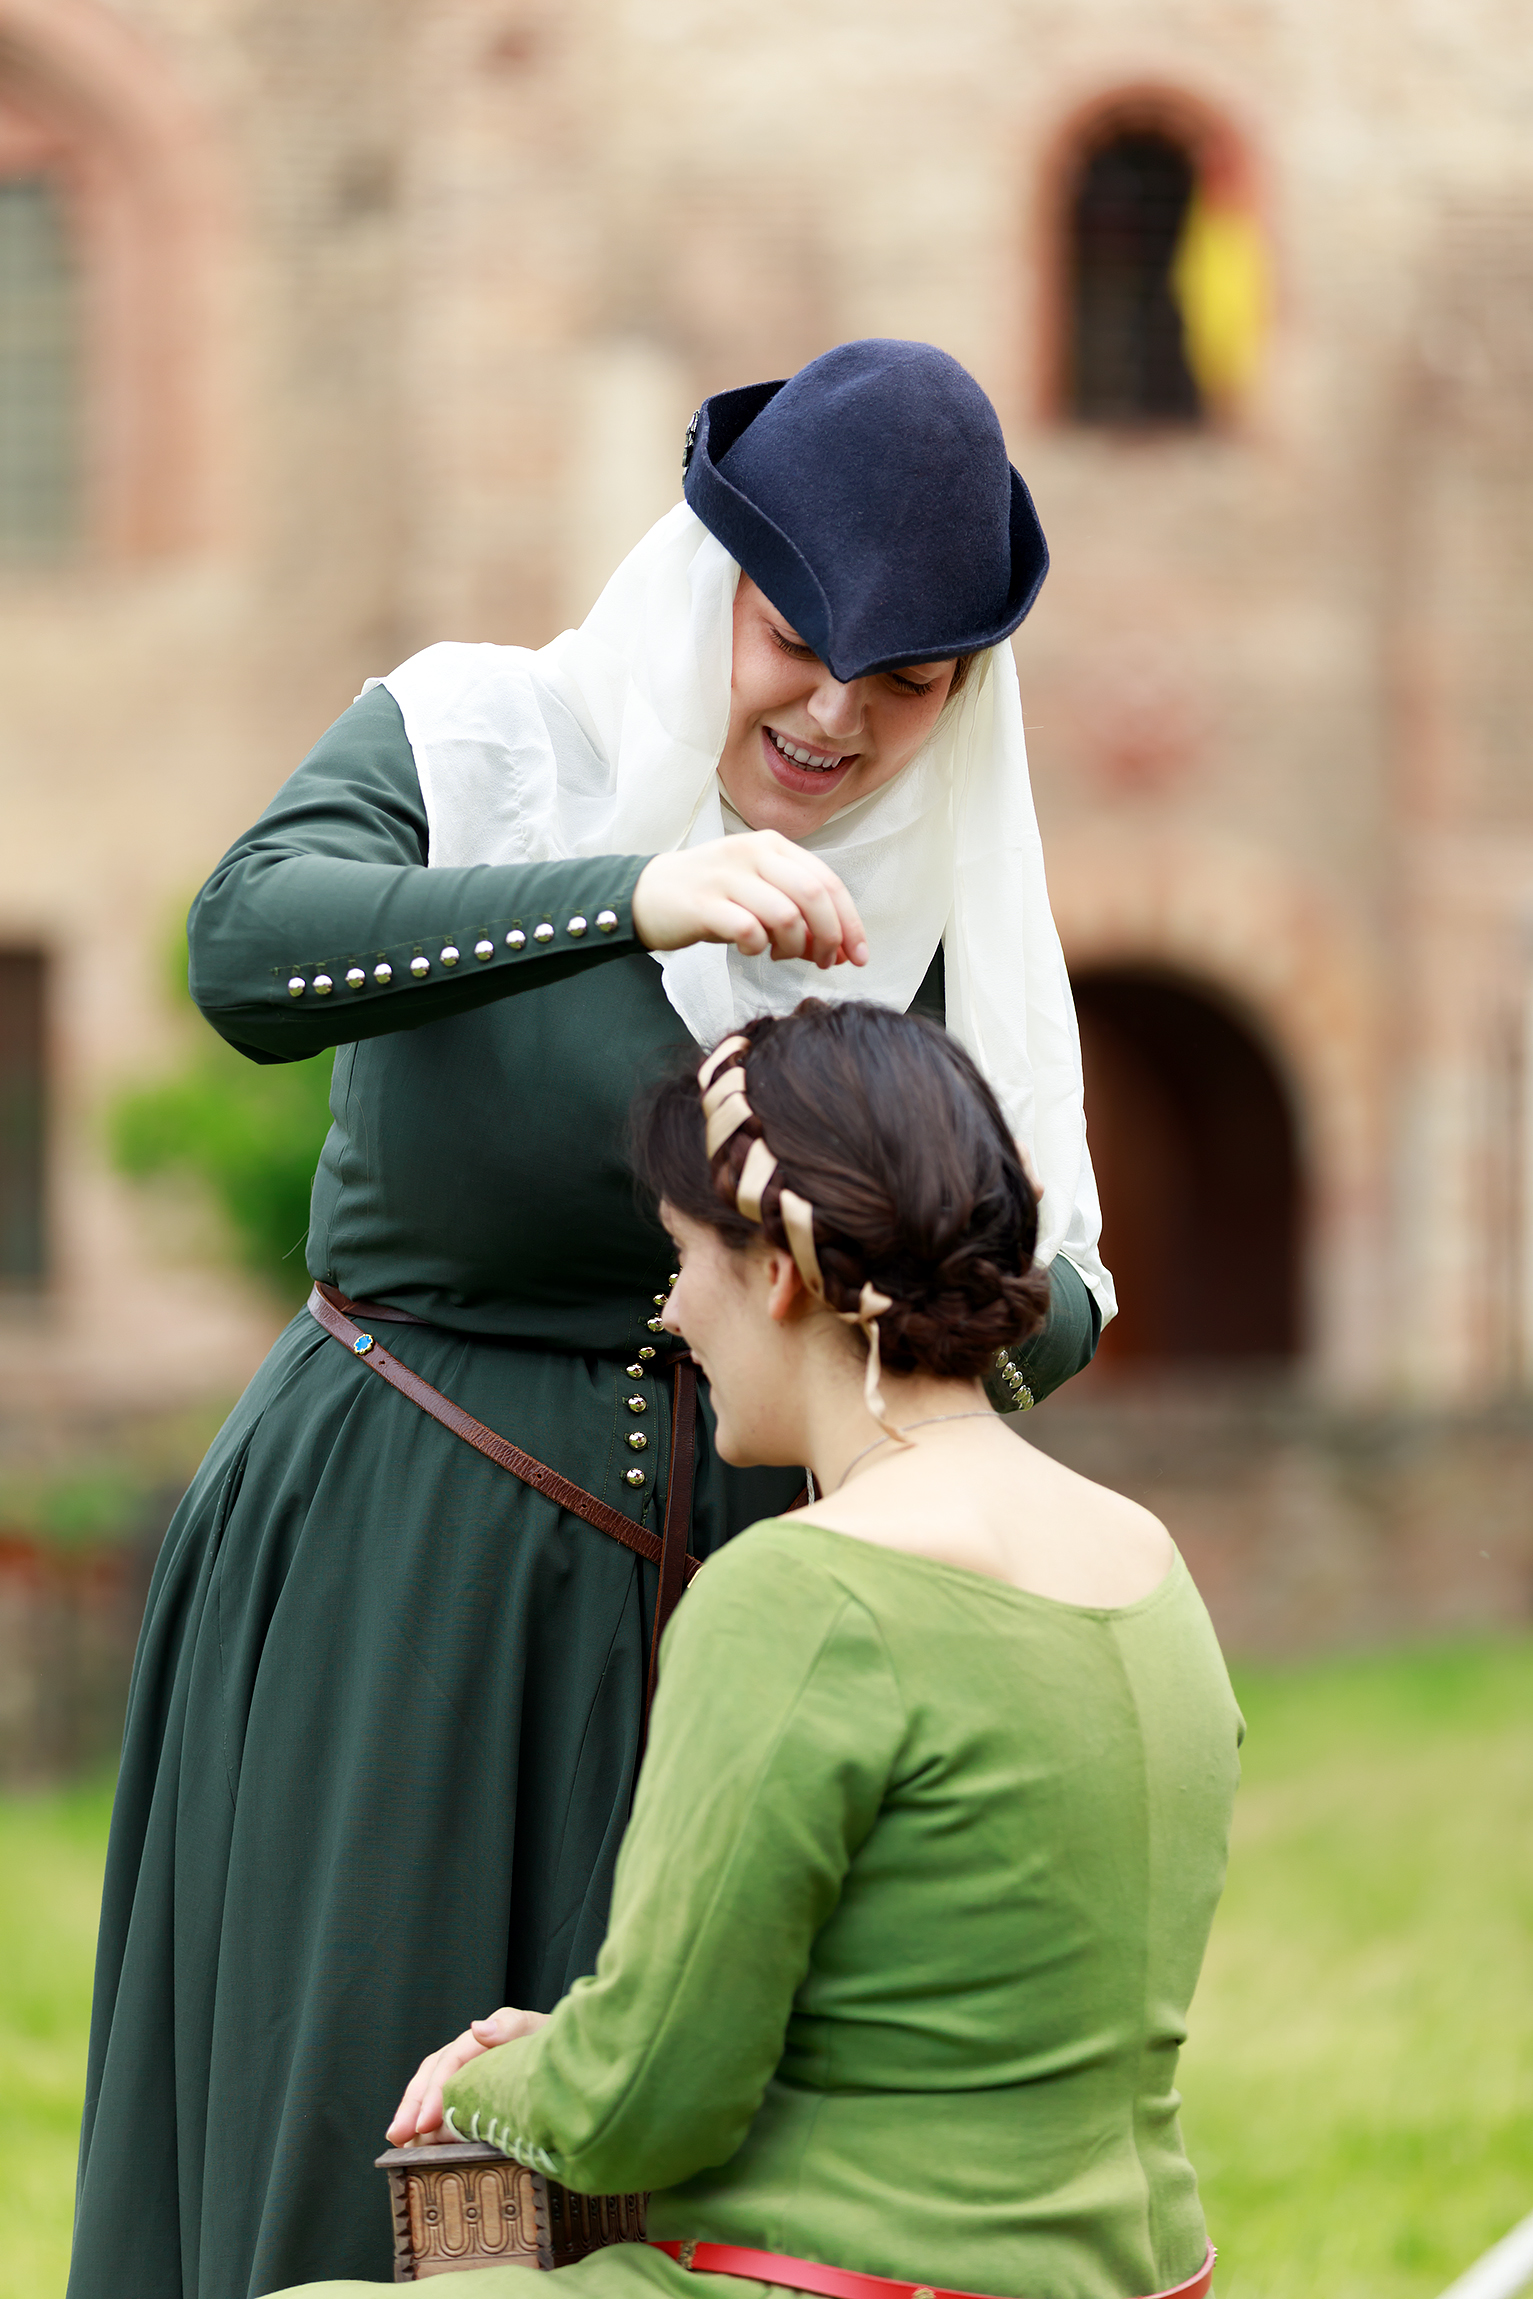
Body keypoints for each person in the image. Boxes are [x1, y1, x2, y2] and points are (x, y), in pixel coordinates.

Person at [69, 341, 1115, 2298]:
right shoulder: (486, 738)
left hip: (775, 1610)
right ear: (707, 575)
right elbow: (245, 945)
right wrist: (637, 893)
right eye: (798, 637)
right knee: (367, 2162)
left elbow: (1052, 1300)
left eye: (907, 679)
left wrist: (873, 1287)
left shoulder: (952, 886)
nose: (837, 711)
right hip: (405, 1555)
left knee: (701, 2180)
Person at [273, 1000, 1241, 2299]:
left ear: (776, 1272)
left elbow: (643, 2106)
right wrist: (590, 2033)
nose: (670, 1314)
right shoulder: (1145, 1563)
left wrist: (500, 2079)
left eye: (681, 1260)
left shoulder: (804, 1592)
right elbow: (957, 1987)